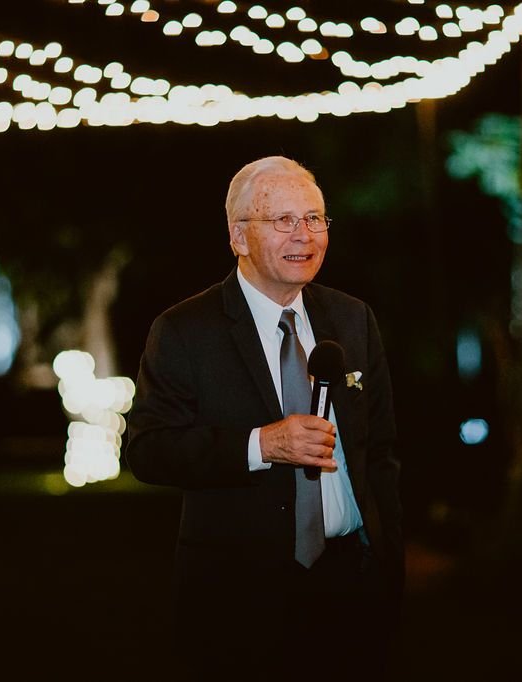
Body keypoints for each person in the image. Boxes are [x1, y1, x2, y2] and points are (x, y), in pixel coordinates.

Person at [126, 156, 402, 681]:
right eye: (283, 220)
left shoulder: (352, 318)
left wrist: (390, 570)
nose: (304, 234)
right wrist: (260, 445)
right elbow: (148, 449)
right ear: (239, 237)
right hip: (239, 599)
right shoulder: (185, 330)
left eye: (315, 218)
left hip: (352, 589)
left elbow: (381, 454)